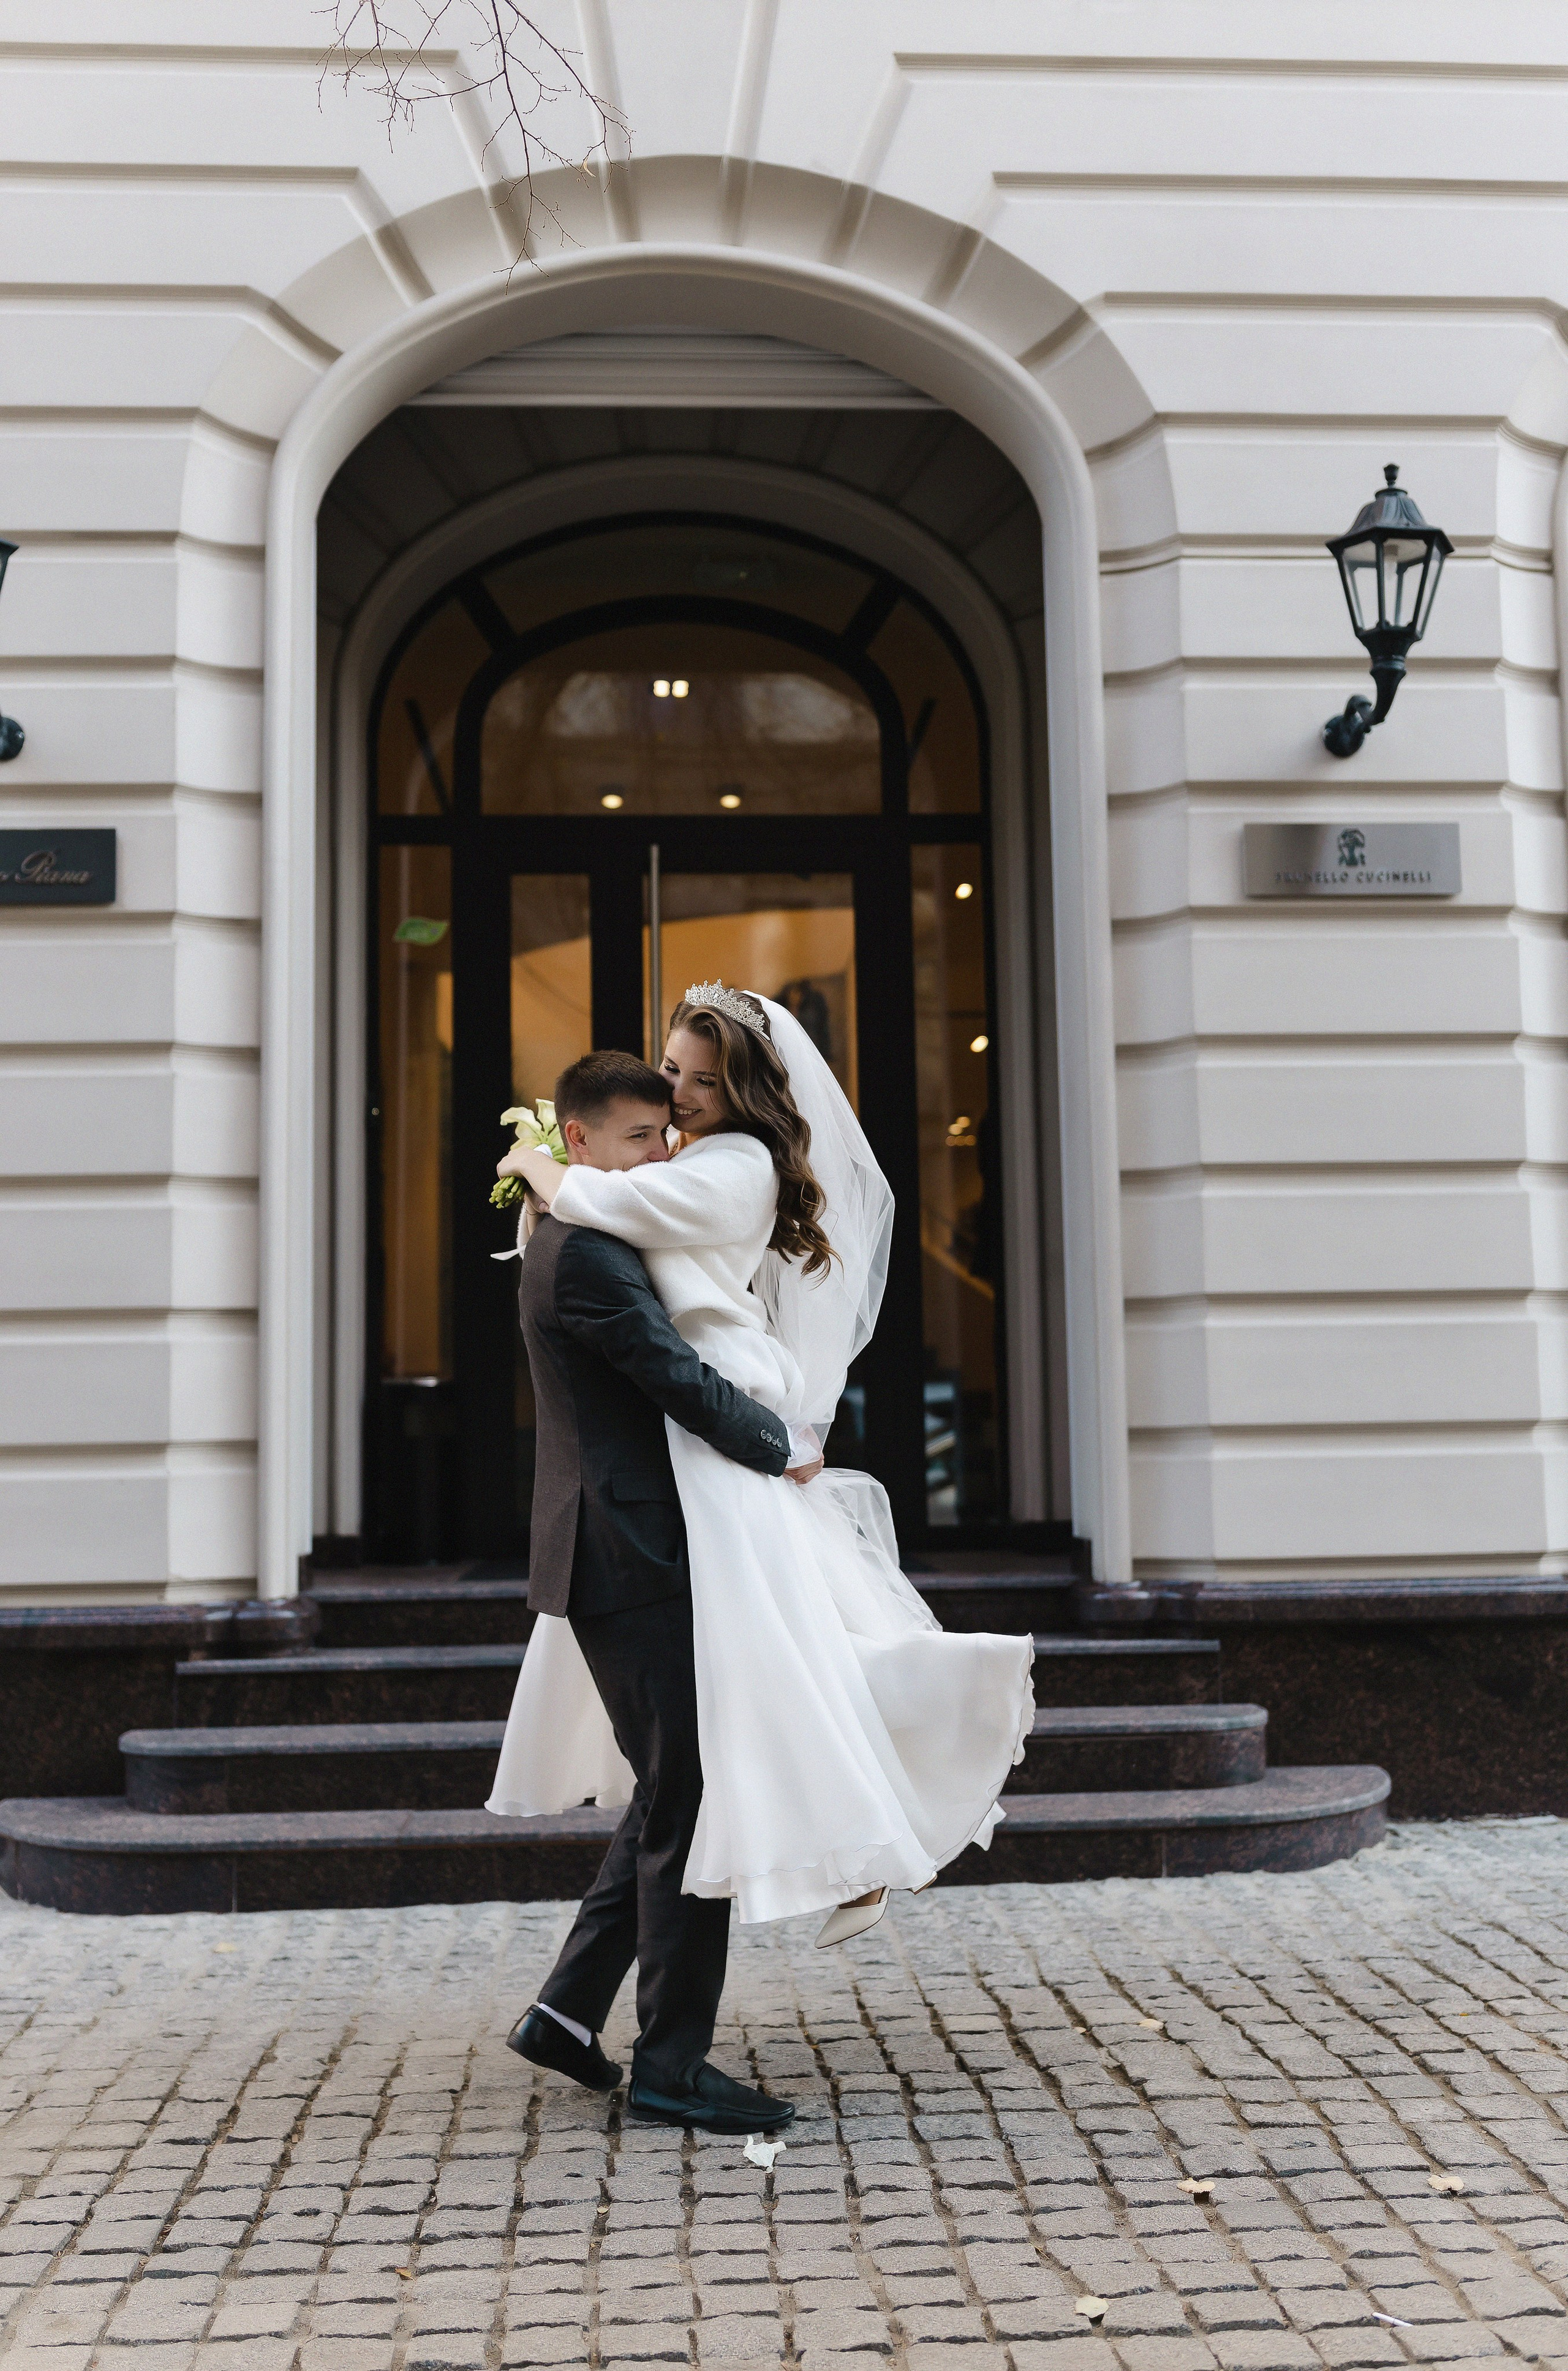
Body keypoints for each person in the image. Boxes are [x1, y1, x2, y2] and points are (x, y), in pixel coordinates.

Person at [491, 986, 1035, 1955]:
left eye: (707, 1079)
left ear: (744, 1088)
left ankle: (867, 1836)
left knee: (777, 1677)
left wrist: (538, 1158)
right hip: (690, 1442)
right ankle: (583, 2008)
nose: (685, 1093)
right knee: (759, 1687)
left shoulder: (736, 1164)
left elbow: (606, 1200)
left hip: (723, 1420)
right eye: (673, 1071)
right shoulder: (682, 1151)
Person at [494, 1049, 799, 2139]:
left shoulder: (581, 1234)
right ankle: (671, 2067)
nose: (661, 1155)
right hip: (626, 1554)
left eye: (667, 1135)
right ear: (577, 1143)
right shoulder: (586, 1256)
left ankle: (566, 2016)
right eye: (637, 1139)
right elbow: (670, 1372)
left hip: (622, 1549)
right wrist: (778, 1441)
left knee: (672, 1788)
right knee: (690, 1798)